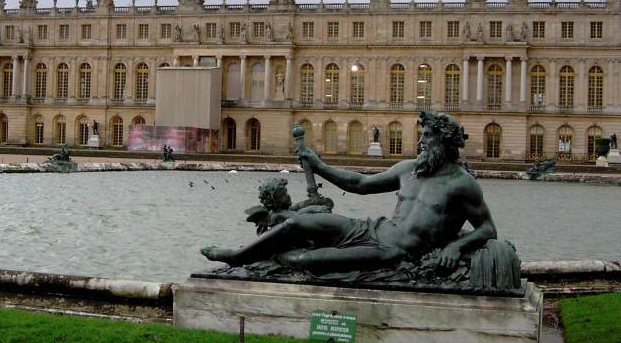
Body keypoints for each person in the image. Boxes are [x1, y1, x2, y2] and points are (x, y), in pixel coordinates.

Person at [202, 111, 497, 275]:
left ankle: (275, 259)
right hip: (371, 229)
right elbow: (360, 184)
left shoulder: (461, 183)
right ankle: (237, 257)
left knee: (307, 262)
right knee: (295, 223)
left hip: (392, 251)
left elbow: (487, 229)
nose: (421, 142)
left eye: (428, 136)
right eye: (422, 135)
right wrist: (319, 166)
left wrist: (455, 246)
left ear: (445, 142)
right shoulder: (409, 169)